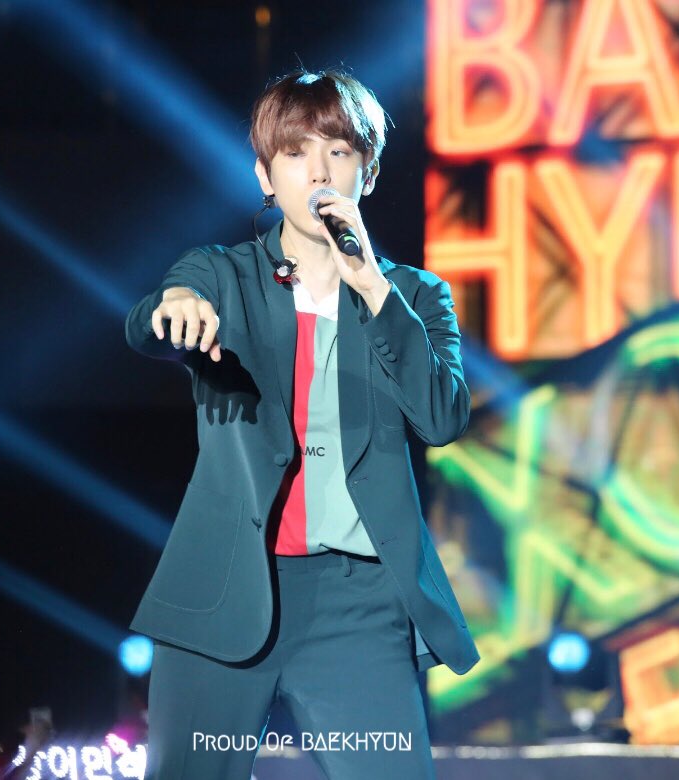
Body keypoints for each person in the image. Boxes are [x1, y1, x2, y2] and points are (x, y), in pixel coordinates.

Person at [123, 67, 478, 780]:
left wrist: (370, 285)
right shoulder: (224, 274)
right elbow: (150, 320)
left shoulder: (413, 295)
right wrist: (176, 308)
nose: (318, 172)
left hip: (357, 606)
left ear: (367, 174)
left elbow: (442, 417)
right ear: (265, 175)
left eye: (339, 152)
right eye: (295, 153)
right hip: (223, 588)